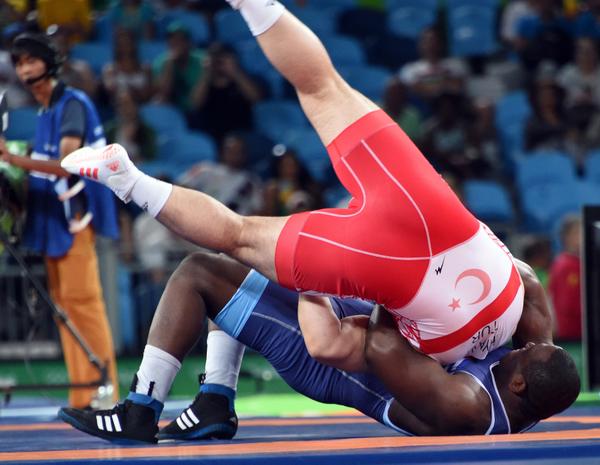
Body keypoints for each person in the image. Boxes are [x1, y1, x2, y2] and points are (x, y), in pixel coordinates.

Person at [62, 0, 553, 385]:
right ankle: (128, 179)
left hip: (436, 213)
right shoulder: (444, 355)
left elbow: (529, 284)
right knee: (236, 236)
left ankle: (252, 3)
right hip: (388, 264)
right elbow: (355, 342)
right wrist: (327, 281)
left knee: (324, 86)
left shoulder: (516, 296)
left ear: (527, 352)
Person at [58, 251, 580, 443]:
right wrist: (476, 263)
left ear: (516, 382)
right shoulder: (532, 373)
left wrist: (405, 276)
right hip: (354, 326)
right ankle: (215, 401)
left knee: (198, 273)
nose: (514, 346)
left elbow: (378, 343)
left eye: (519, 353)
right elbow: (525, 279)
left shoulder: (467, 408)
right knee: (242, 261)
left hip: (329, 355)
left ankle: (141, 409)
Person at [0, 32, 120, 408]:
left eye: (31, 59)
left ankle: (105, 390)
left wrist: (13, 159)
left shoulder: (71, 104)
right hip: (52, 222)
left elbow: (68, 165)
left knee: (84, 304)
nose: (25, 68)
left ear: (48, 63)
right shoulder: (45, 112)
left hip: (75, 223)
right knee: (64, 308)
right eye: (19, 62)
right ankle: (82, 393)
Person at [548, 214, 583, 341]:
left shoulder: (579, 262)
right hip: (571, 336)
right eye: (578, 232)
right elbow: (567, 304)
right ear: (567, 237)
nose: (583, 236)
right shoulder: (566, 265)